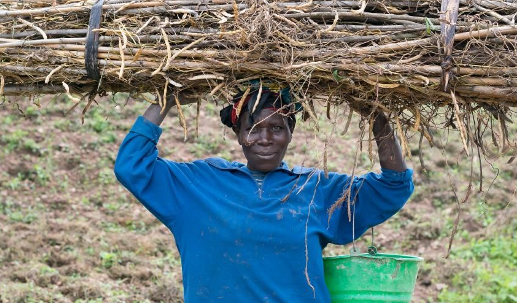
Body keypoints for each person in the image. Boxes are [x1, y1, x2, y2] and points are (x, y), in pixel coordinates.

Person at [114, 82, 414, 303]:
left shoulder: (316, 189)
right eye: (253, 128)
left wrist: (378, 119)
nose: (265, 138)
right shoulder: (198, 184)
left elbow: (393, 185)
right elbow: (132, 166)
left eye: (277, 128)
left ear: (290, 133)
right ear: (238, 134)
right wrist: (166, 98)